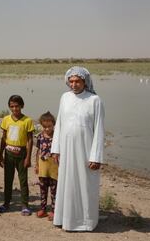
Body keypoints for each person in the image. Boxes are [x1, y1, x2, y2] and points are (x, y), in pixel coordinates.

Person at [51, 66, 105, 231]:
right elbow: (59, 123)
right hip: (67, 150)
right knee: (67, 183)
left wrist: (96, 157)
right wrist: (56, 148)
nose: (74, 84)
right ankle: (65, 219)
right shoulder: (65, 97)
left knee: (85, 184)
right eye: (71, 81)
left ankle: (86, 222)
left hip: (86, 151)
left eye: (77, 81)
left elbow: (99, 129)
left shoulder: (95, 100)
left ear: (85, 82)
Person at [0, 95, 35, 216]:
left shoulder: (27, 121)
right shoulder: (6, 119)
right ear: (9, 107)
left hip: (22, 154)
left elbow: (30, 140)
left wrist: (28, 157)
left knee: (23, 181)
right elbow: (3, 138)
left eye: (17, 106)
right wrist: (0, 154)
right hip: (8, 154)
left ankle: (25, 205)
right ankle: (6, 203)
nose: (14, 109)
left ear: (21, 106)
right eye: (12, 106)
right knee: (7, 180)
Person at [35, 111, 58, 221]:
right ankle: (43, 209)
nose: (47, 129)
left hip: (54, 167)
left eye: (49, 126)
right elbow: (38, 151)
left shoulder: (58, 137)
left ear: (54, 124)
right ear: (41, 125)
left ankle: (53, 211)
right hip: (43, 166)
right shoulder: (40, 136)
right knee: (43, 189)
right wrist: (36, 165)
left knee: (54, 190)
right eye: (45, 127)